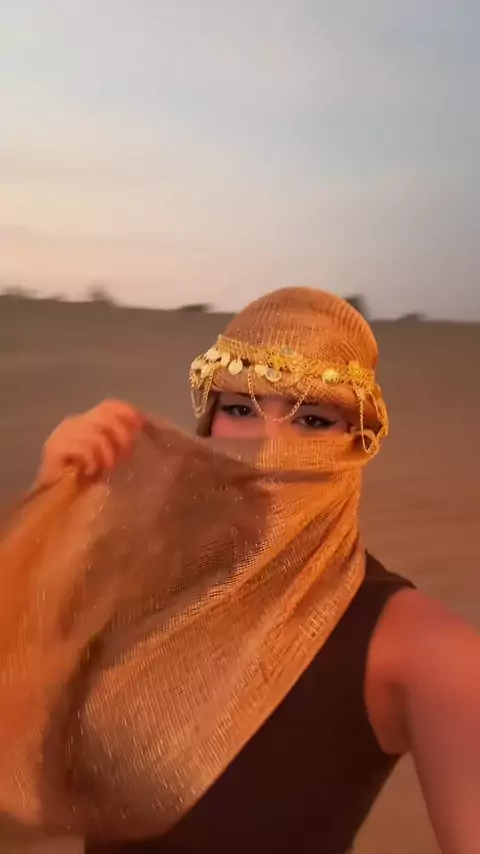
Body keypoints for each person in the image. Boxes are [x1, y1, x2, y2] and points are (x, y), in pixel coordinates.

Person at [5, 288, 480, 854]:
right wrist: (54, 515)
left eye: (313, 418)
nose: (269, 444)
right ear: (207, 423)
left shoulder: (422, 650)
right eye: (240, 409)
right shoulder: (143, 585)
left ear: (358, 441)